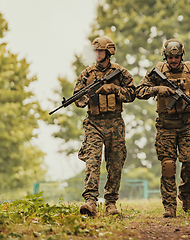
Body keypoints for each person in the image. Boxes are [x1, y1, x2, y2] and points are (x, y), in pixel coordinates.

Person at [135, 39, 190, 218]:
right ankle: (169, 206)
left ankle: (185, 194)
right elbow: (138, 91)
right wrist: (158, 89)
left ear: (182, 55)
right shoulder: (157, 72)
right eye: (170, 57)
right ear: (165, 56)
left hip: (186, 124)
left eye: (177, 57)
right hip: (165, 125)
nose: (173, 60)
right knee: (168, 165)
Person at [75, 36, 136, 216]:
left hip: (115, 123)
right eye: (95, 51)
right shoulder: (87, 73)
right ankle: (90, 202)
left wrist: (114, 89)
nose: (97, 54)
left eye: (100, 51)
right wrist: (86, 96)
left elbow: (133, 93)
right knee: (92, 161)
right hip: (94, 123)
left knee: (115, 163)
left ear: (108, 52)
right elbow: (77, 99)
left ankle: (111, 203)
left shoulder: (121, 72)